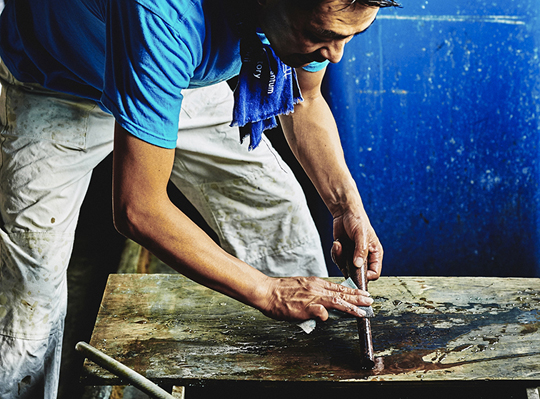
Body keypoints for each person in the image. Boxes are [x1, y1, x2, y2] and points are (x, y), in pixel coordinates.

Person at [0, 0, 397, 397]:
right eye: (322, 36)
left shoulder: (310, 14)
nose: (336, 53)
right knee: (31, 290)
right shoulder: (164, 14)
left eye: (349, 36)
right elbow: (138, 208)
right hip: (58, 80)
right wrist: (267, 291)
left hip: (177, 75)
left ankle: (309, 367)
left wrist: (348, 207)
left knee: (274, 208)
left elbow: (305, 99)